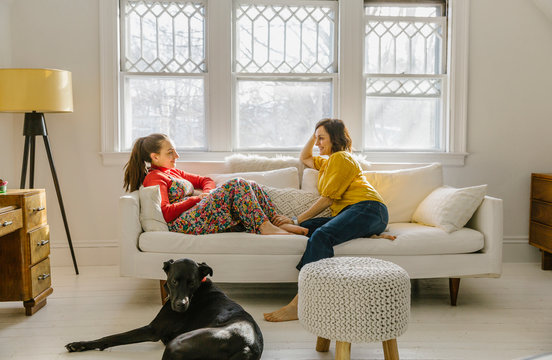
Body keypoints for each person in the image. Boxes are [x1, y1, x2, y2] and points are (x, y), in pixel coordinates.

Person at [263, 119, 395, 322]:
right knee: (309, 228)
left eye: (322, 139)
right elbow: (305, 157)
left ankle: (302, 302)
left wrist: (297, 219)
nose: (317, 144)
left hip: (368, 208)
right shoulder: (326, 162)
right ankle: (367, 233)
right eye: (317, 139)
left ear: (335, 138)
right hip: (354, 213)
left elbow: (329, 198)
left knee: (322, 235)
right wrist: (315, 133)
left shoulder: (341, 158)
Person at [123, 133, 307, 236]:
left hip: (197, 212)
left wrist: (208, 194)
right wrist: (195, 199)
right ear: (155, 157)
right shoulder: (155, 178)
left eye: (175, 151)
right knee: (236, 184)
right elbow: (166, 212)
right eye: (170, 152)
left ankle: (275, 221)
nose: (176, 156)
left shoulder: (172, 172)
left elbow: (205, 180)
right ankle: (265, 227)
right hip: (184, 223)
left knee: (250, 184)